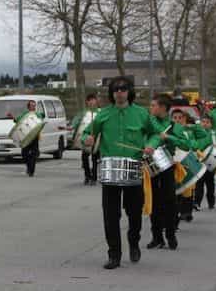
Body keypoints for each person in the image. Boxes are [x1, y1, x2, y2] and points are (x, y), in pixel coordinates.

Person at [83, 76, 157, 270]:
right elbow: (87, 133)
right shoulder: (103, 115)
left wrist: (151, 145)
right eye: (115, 89)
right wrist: (87, 139)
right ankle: (114, 254)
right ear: (112, 93)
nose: (119, 92)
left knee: (134, 213)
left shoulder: (141, 113)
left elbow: (155, 133)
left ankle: (134, 242)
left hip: (134, 169)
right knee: (110, 215)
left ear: (129, 91)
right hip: (110, 171)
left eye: (123, 89)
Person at [147, 95, 190, 250]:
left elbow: (186, 145)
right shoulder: (148, 123)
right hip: (150, 166)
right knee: (153, 202)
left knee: (170, 202)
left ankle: (171, 235)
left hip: (167, 167)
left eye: (153, 105)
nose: (151, 108)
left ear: (163, 108)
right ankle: (157, 237)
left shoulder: (174, 126)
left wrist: (169, 137)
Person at [171, 108, 206, 226]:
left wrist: (193, 126)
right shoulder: (168, 132)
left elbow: (200, 138)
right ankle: (174, 217)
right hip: (174, 163)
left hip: (186, 162)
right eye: (175, 118)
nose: (177, 120)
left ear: (185, 119)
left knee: (188, 188)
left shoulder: (188, 132)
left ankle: (186, 212)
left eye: (180, 118)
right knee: (175, 190)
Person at [193, 114, 216, 211]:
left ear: (211, 124)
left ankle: (211, 202)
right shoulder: (196, 134)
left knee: (210, 183)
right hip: (199, 162)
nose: (205, 124)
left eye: (207, 122)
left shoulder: (215, 135)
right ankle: (197, 203)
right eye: (203, 122)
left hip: (211, 163)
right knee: (199, 183)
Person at [70, 93, 101, 185]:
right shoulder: (83, 113)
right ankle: (87, 176)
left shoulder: (101, 113)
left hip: (97, 139)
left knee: (95, 159)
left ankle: (94, 178)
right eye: (89, 100)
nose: (91, 102)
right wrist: (71, 127)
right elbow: (76, 121)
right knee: (84, 158)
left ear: (96, 101)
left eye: (93, 100)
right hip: (85, 138)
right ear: (87, 102)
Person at [15, 100, 45, 176]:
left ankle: (31, 171)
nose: (34, 107)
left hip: (34, 136)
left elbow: (41, 121)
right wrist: (13, 118)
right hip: (25, 137)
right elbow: (17, 120)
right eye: (32, 105)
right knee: (24, 154)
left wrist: (42, 118)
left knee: (34, 154)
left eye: (34, 105)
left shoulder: (37, 114)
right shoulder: (25, 114)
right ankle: (29, 167)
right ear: (28, 107)